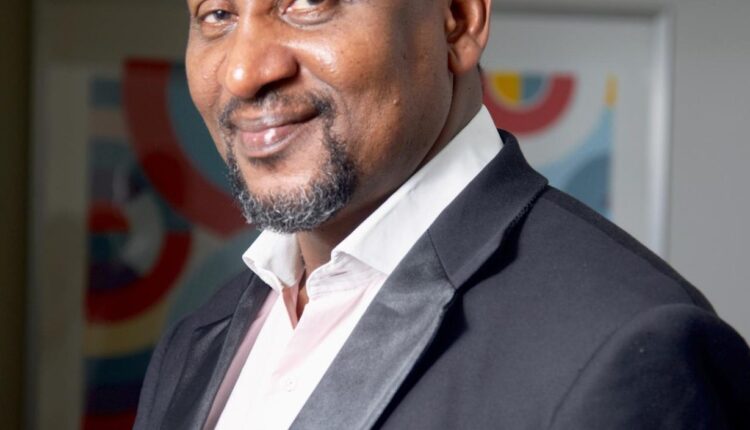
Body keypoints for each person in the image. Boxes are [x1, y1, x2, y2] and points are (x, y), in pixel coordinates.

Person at [134, 0, 750, 428]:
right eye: (216, 15)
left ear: (458, 21)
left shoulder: (634, 347)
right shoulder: (196, 340)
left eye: (308, 4)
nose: (244, 71)